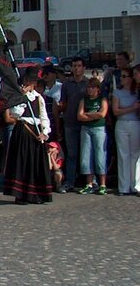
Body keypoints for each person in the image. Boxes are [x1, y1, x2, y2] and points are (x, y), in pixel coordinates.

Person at [2, 68, 52, 204]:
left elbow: (44, 117)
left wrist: (45, 133)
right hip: (23, 131)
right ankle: (21, 195)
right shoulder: (17, 96)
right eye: (28, 80)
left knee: (35, 164)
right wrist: (21, 97)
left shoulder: (39, 97)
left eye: (32, 81)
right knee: (22, 163)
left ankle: (36, 194)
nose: (29, 83)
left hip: (36, 133)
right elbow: (15, 114)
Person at [58, 57, 88, 192]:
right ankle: (70, 181)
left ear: (83, 68)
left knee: (86, 153)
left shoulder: (88, 83)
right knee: (71, 154)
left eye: (79, 65)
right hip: (70, 122)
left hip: (86, 122)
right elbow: (63, 103)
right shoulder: (67, 84)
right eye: (74, 66)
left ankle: (86, 180)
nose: (76, 68)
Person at [77, 77, 108, 195]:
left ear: (97, 89)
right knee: (86, 156)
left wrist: (88, 114)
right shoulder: (84, 100)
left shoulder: (102, 99)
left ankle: (102, 184)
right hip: (86, 129)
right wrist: (94, 115)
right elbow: (79, 116)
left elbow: (102, 114)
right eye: (89, 87)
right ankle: (89, 183)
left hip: (99, 129)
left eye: (92, 87)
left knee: (100, 155)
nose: (90, 90)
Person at [112, 68, 140, 195]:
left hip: (135, 124)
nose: (122, 79)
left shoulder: (137, 92)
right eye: (121, 76)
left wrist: (131, 109)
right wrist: (131, 108)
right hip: (122, 124)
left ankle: (135, 185)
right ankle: (123, 186)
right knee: (123, 155)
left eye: (124, 76)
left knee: (135, 155)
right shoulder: (117, 92)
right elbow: (116, 111)